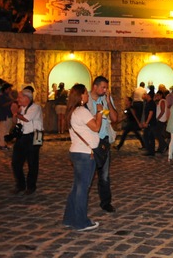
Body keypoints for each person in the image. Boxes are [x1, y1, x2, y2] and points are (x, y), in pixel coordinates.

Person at [62, 84, 102, 231]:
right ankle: (80, 222)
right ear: (80, 96)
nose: (87, 95)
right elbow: (96, 127)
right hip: (85, 153)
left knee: (77, 187)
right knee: (82, 188)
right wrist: (99, 113)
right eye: (85, 93)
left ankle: (69, 218)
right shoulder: (81, 111)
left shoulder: (72, 111)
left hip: (76, 151)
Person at [87, 76, 118, 212]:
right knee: (88, 174)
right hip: (90, 141)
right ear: (95, 86)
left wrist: (108, 102)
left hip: (104, 140)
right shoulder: (86, 99)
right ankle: (82, 200)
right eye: (103, 87)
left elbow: (114, 118)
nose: (105, 90)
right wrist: (99, 112)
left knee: (104, 175)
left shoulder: (106, 98)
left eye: (106, 88)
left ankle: (106, 202)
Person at [11, 88, 44, 194]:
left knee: (33, 162)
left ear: (26, 98)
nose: (17, 99)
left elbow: (26, 118)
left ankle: (31, 186)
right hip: (23, 135)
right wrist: (15, 114)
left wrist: (17, 113)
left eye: (20, 97)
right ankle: (20, 184)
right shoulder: (21, 108)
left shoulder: (36, 107)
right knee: (16, 162)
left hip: (37, 134)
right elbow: (15, 122)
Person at [0, 82, 13, 151]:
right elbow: (3, 105)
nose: (10, 90)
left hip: (8, 115)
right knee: (2, 131)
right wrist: (12, 101)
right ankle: (2, 145)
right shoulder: (1, 97)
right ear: (6, 89)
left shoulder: (7, 96)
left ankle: (5, 144)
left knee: (6, 131)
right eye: (9, 89)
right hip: (3, 116)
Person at [141, 91, 158, 156]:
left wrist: (147, 122)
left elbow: (151, 113)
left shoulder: (151, 103)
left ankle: (150, 151)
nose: (145, 96)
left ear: (149, 96)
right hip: (149, 123)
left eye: (146, 94)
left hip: (151, 123)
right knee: (149, 136)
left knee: (148, 136)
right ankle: (151, 151)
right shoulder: (148, 103)